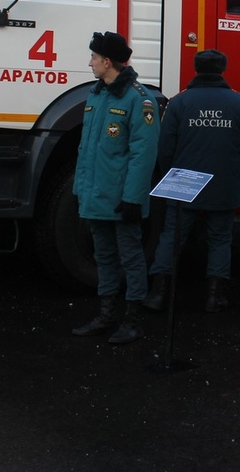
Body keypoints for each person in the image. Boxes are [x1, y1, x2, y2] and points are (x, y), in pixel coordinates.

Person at [144, 49, 240, 313]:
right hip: (224, 184)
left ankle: (158, 294)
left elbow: (164, 147)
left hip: (183, 184)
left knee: (172, 237)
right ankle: (214, 297)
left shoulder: (179, 102)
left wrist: (169, 176)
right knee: (220, 240)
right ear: (223, 69)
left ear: (196, 69)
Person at [71, 31, 160, 344]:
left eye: (94, 58)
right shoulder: (97, 94)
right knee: (104, 257)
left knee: (131, 258)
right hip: (97, 197)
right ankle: (107, 316)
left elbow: (143, 155)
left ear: (108, 62)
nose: (90, 63)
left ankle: (132, 320)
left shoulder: (139, 99)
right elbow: (88, 149)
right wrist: (81, 190)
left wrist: (133, 199)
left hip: (122, 200)